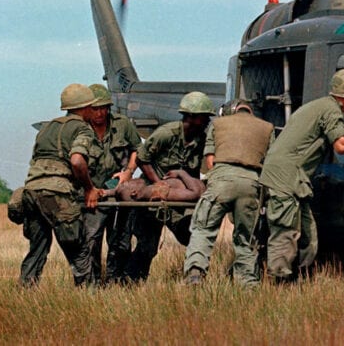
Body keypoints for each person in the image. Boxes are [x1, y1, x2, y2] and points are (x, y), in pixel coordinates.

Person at [260, 68, 344, 283]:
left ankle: (301, 278)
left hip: (293, 178)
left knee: (308, 234)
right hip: (286, 177)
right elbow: (341, 146)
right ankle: (280, 282)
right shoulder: (332, 111)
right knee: (285, 230)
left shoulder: (319, 106)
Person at [123, 91, 214, 282]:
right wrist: (158, 184)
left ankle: (194, 276)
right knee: (147, 246)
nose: (207, 121)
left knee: (191, 236)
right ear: (191, 117)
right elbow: (142, 158)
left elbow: (195, 170)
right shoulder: (166, 133)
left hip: (179, 198)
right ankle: (130, 283)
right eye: (204, 117)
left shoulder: (201, 140)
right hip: (153, 198)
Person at [183, 100, 275, 287]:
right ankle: (248, 284)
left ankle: (195, 274)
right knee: (246, 238)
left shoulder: (218, 124)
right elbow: (270, 163)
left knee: (203, 230)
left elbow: (210, 162)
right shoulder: (267, 127)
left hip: (221, 181)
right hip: (252, 185)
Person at [20, 83, 103, 287]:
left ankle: (25, 292)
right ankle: (88, 295)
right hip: (57, 195)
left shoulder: (47, 127)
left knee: (37, 248)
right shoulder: (83, 128)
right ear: (85, 108)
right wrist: (89, 189)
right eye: (92, 106)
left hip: (31, 191)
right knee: (78, 249)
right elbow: (76, 160)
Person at [82, 83, 141, 285]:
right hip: (93, 194)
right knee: (91, 239)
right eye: (95, 108)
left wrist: (128, 172)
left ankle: (116, 281)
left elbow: (138, 149)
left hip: (119, 192)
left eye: (104, 108)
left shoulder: (123, 124)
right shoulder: (79, 128)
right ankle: (94, 283)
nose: (100, 113)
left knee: (121, 240)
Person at [103, 169, 205, 202]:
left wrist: (106, 192)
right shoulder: (156, 191)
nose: (131, 179)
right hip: (208, 190)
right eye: (128, 183)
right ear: (134, 192)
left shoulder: (148, 188)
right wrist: (181, 173)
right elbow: (195, 193)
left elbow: (116, 191)